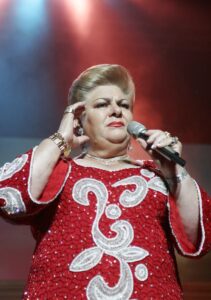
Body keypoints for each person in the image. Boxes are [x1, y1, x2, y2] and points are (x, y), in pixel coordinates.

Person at [0, 64, 210, 300]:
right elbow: (9, 195)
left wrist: (173, 170)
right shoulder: (58, 170)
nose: (116, 111)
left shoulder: (158, 175)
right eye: (102, 104)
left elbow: (196, 239)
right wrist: (61, 138)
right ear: (78, 118)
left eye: (124, 105)